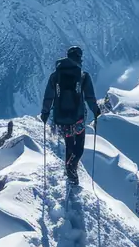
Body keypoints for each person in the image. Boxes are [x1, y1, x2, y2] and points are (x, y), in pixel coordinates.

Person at [41, 46, 101, 185]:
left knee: (69, 142)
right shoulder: (83, 75)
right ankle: (72, 166)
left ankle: (70, 172)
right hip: (78, 117)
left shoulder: (55, 75)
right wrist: (96, 110)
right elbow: (90, 97)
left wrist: (45, 112)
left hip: (61, 118)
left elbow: (48, 96)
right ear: (79, 58)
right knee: (79, 146)